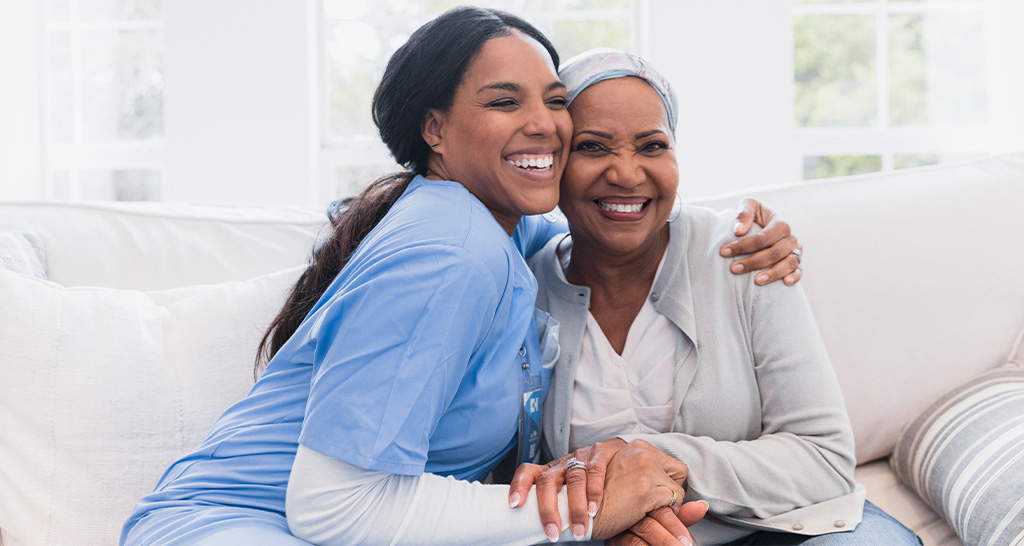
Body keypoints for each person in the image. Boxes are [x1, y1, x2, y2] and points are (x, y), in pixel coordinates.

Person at [120, 8, 801, 546]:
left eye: (554, 100)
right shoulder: (451, 251)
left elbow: (604, 220)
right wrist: (585, 511)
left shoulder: (497, 225)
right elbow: (332, 505)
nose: (544, 125)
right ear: (435, 129)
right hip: (236, 528)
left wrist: (727, 237)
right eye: (505, 103)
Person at [508, 48, 924, 546]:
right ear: (554, 161)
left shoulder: (743, 253)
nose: (626, 173)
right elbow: (512, 475)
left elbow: (823, 459)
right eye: (593, 147)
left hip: (788, 527)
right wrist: (615, 517)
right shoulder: (522, 290)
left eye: (652, 145)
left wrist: (651, 459)